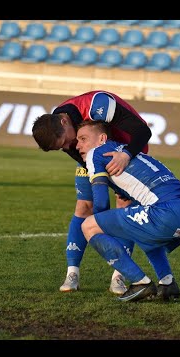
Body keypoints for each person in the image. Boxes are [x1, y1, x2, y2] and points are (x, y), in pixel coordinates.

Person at [32, 90, 152, 295]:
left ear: (63, 122)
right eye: (62, 148)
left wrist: (125, 156)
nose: (69, 147)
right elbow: (80, 156)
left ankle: (119, 276)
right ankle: (72, 274)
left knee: (123, 207)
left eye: (66, 143)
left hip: (129, 151)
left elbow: (143, 132)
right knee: (84, 206)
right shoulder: (60, 128)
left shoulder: (98, 105)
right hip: (93, 159)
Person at [76, 121, 180, 302]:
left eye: (83, 139)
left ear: (102, 139)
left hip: (168, 214)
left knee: (89, 225)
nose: (78, 145)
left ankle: (140, 282)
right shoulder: (130, 151)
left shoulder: (96, 153)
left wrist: (102, 225)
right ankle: (167, 283)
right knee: (143, 231)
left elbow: (101, 201)